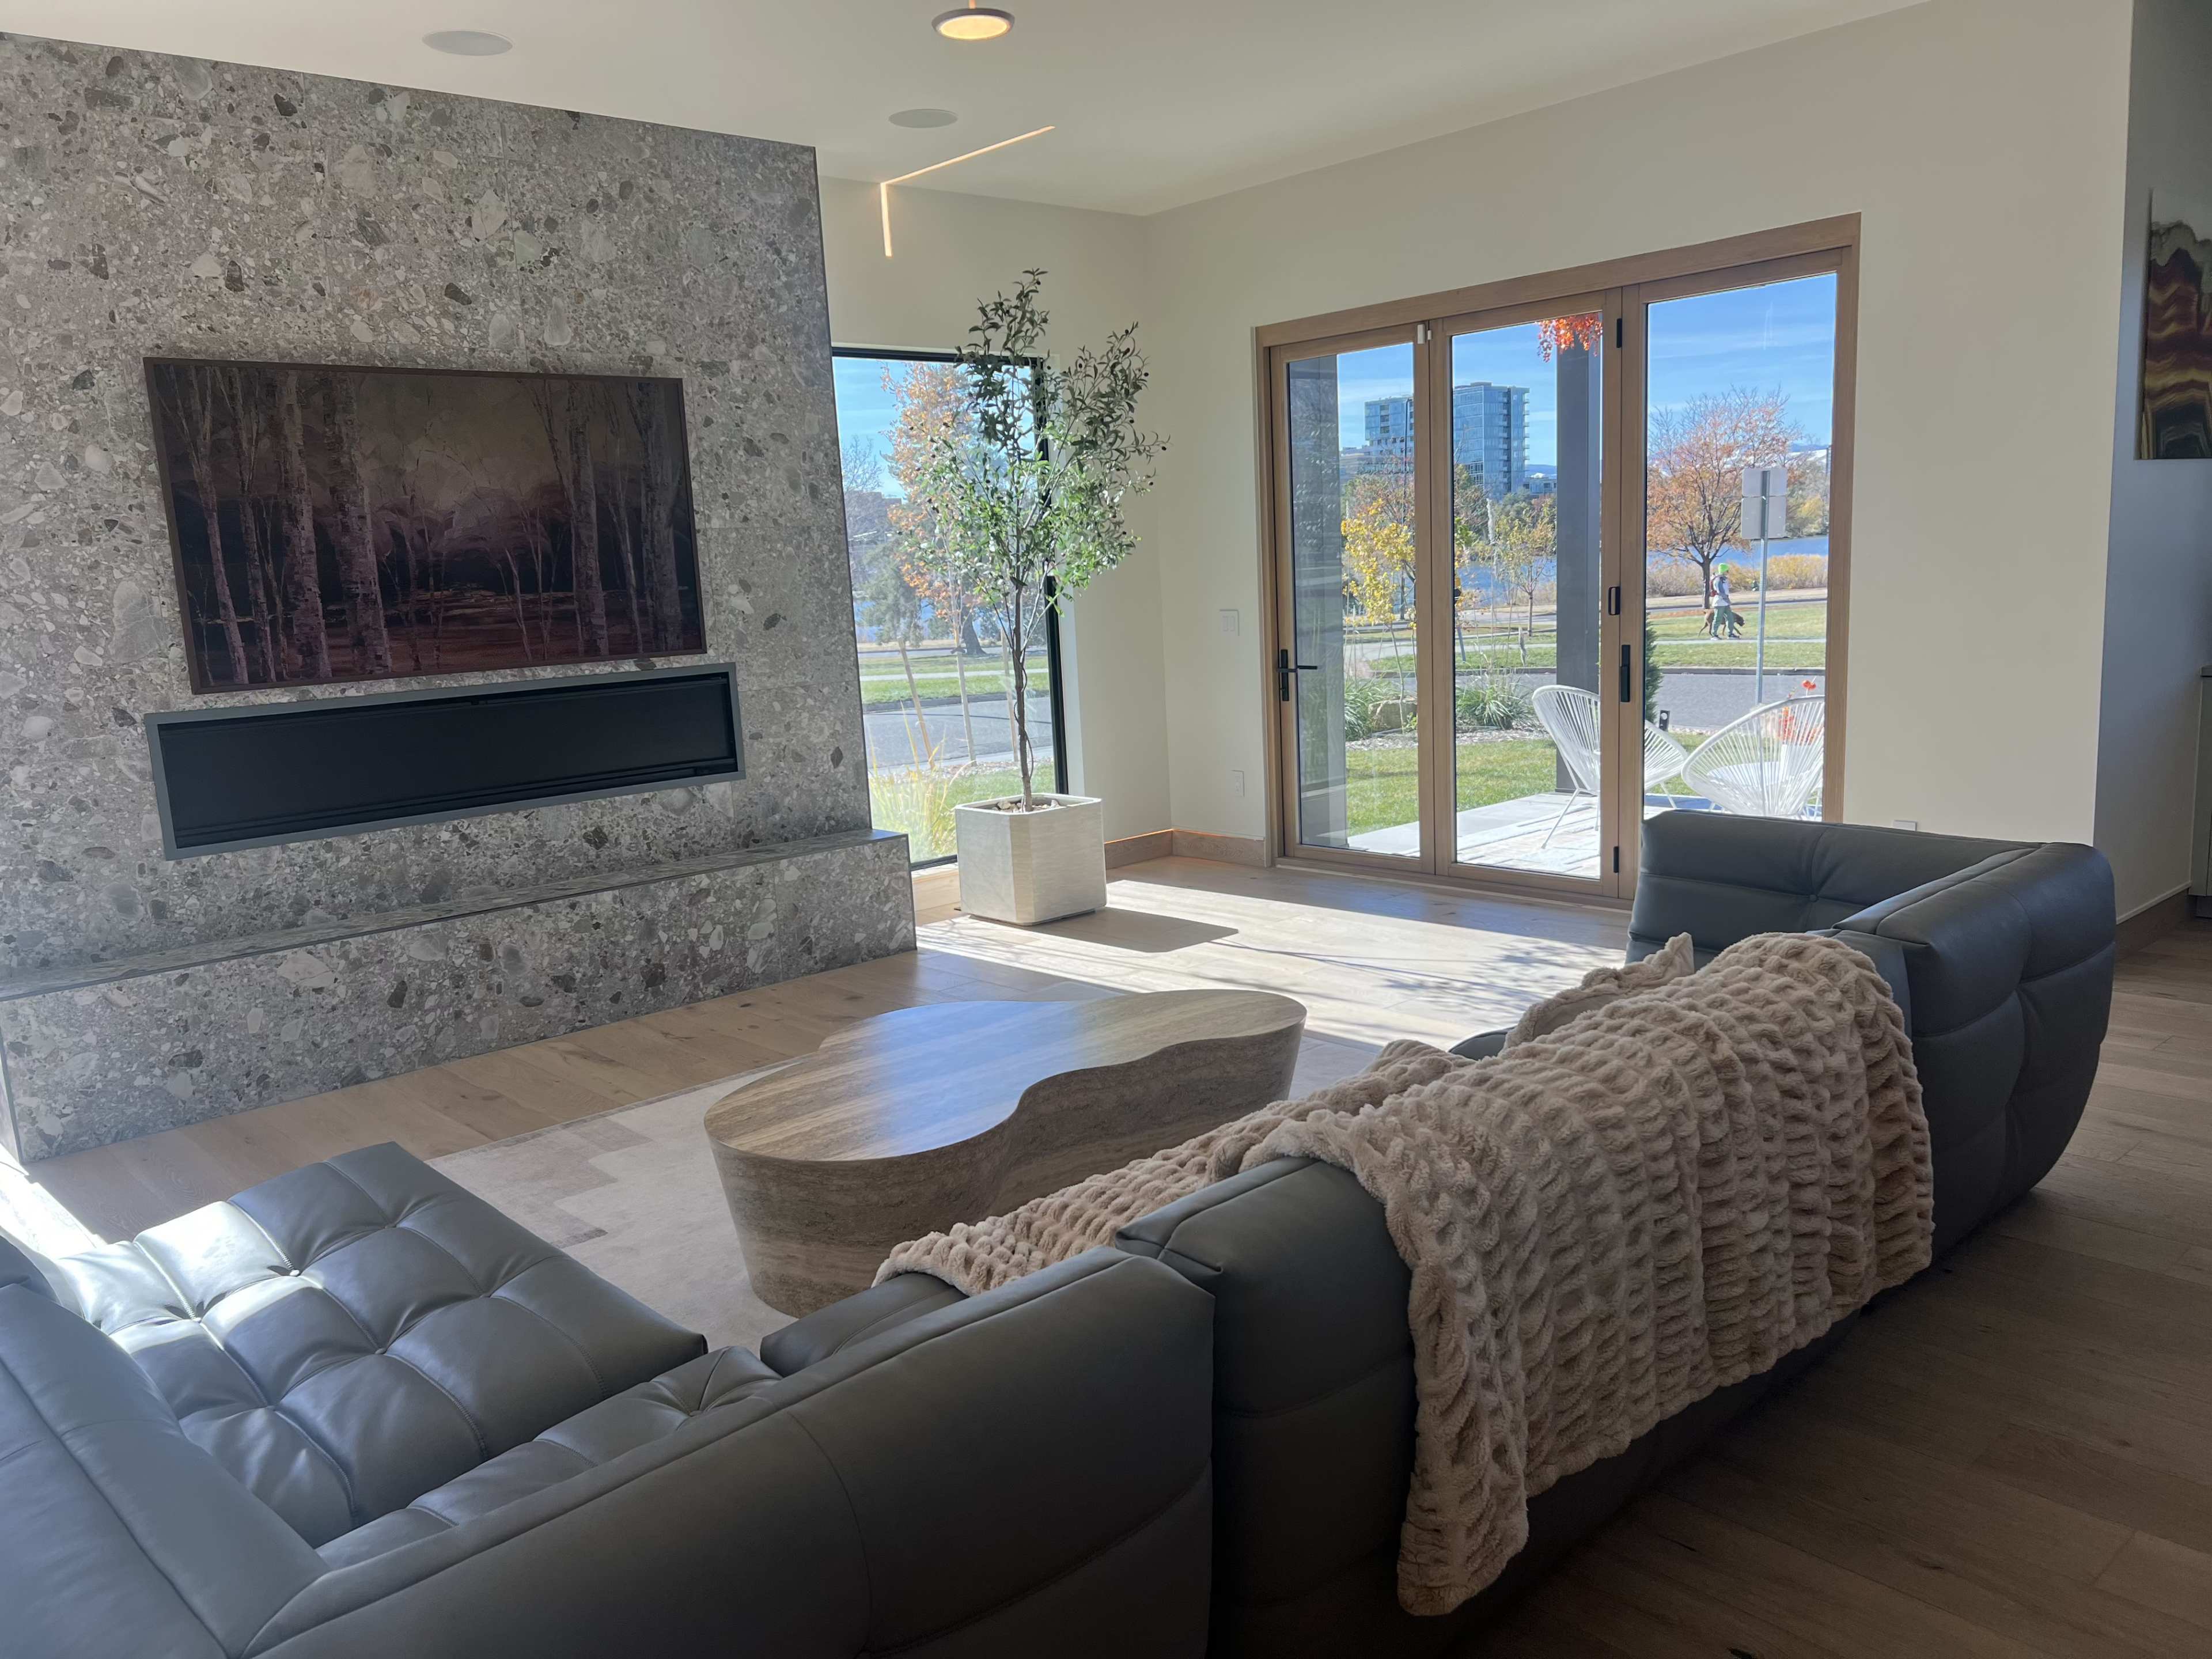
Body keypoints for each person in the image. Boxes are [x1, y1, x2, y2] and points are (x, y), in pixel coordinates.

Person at [1710, 565, 1744, 639]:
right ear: (1724, 571)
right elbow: (1721, 592)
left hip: (1725, 603)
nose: (1728, 572)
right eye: (1727, 570)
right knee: (1718, 619)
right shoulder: (1718, 580)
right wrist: (1728, 601)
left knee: (1730, 618)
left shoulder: (1724, 579)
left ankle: (1731, 634)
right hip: (1719, 603)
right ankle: (1714, 635)